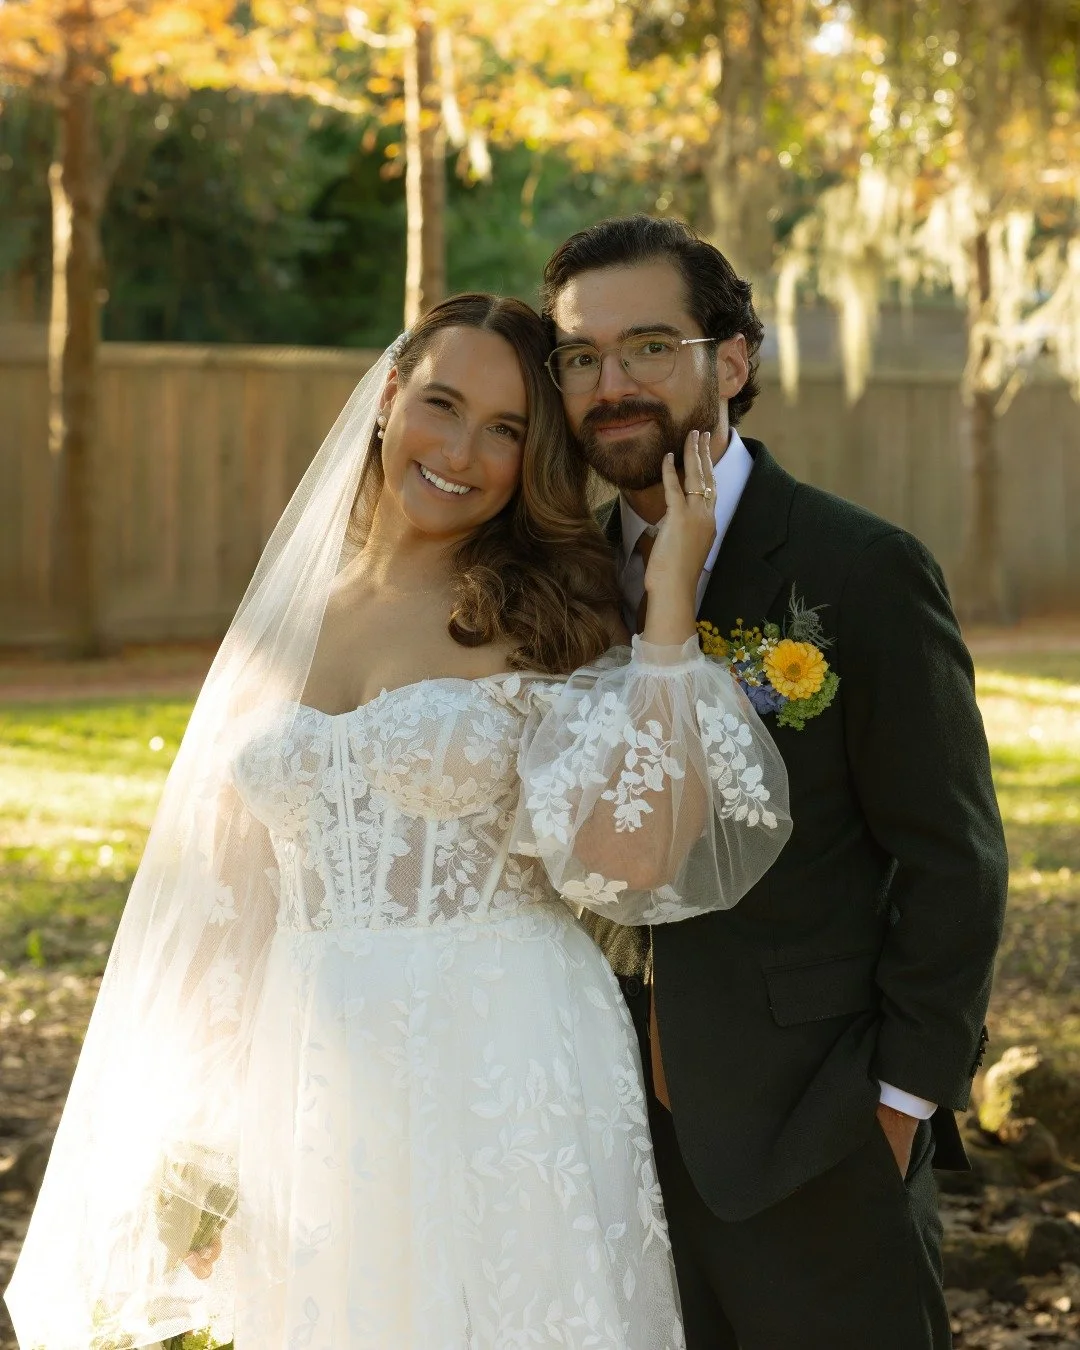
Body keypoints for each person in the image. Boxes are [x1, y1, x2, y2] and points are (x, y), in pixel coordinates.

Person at [5, 293, 791, 1350]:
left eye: (505, 430)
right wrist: (200, 1122)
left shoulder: (553, 611)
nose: (461, 453)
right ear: (387, 396)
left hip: (506, 1057)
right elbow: (232, 897)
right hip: (308, 1065)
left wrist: (670, 606)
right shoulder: (289, 619)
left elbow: (632, 855)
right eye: (442, 405)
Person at [540, 217, 1009, 1350]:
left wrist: (898, 1106)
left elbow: (953, 859)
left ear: (734, 359)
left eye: (650, 346)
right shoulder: (561, 584)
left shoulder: (859, 569)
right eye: (582, 356)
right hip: (600, 1141)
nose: (612, 384)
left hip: (815, 1129)